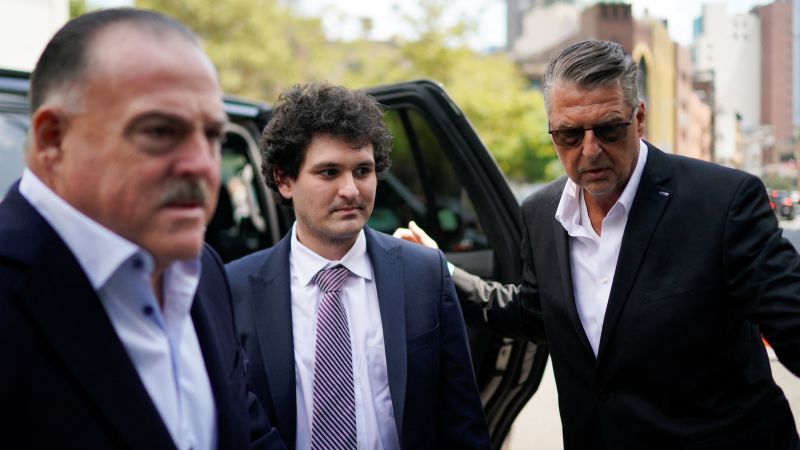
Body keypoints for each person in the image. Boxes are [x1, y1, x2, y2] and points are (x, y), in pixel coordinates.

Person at [395, 40, 800, 449]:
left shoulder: (723, 202)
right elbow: (535, 313)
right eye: (568, 134)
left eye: (608, 129)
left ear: (638, 119)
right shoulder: (541, 213)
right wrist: (439, 269)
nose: (589, 151)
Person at [0, 8, 285, 450]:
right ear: (53, 138)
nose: (201, 164)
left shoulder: (203, 271)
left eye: (212, 135)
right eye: (160, 131)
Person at [226, 82, 491, 450]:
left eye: (363, 171)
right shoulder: (234, 287)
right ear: (284, 180)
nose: (351, 190)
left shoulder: (424, 273)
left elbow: (462, 421)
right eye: (329, 172)